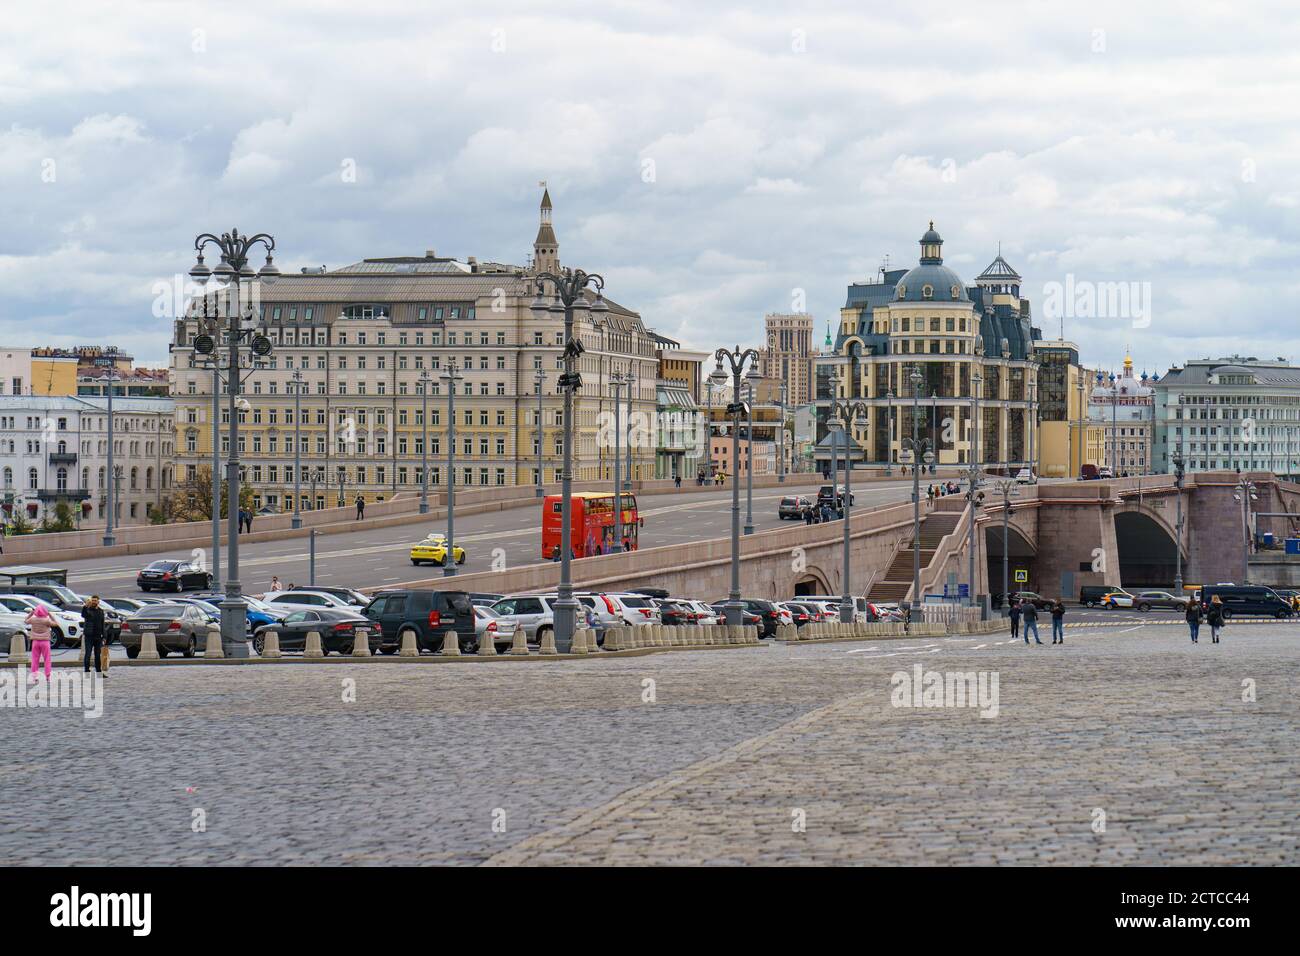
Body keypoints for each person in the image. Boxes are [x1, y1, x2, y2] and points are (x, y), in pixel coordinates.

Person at [25, 604, 53, 681]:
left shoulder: (33, 620)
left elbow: (26, 621)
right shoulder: (46, 620)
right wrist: (50, 615)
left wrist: (31, 613)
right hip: (45, 641)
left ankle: (34, 676)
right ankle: (48, 675)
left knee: (35, 659)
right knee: (47, 659)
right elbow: (55, 623)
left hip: (35, 641)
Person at [82, 594, 106, 676]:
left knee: (98, 655)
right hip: (89, 636)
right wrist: (85, 606)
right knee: (88, 653)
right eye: (92, 600)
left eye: (95, 601)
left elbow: (103, 624)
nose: (94, 602)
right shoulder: (88, 610)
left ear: (98, 601)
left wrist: (104, 636)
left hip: (98, 636)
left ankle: (99, 672)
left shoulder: (101, 611)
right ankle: (86, 671)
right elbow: (83, 614)